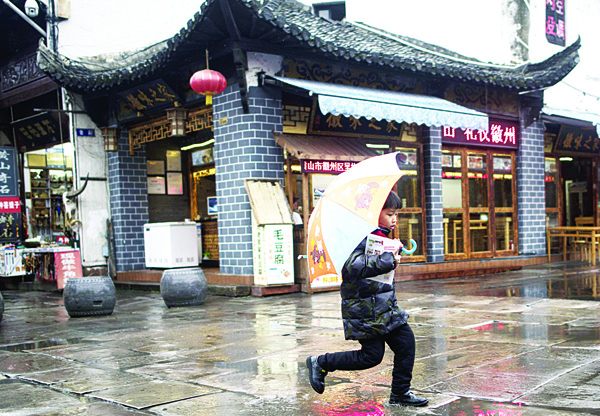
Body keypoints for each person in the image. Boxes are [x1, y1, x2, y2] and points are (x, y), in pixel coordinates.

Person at [305, 190, 428, 407]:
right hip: (364, 308)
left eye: (396, 213)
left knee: (406, 343)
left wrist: (392, 254)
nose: (395, 219)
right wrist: (388, 260)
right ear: (375, 212)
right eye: (390, 213)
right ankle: (320, 362)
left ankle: (400, 394)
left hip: (384, 305)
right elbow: (352, 266)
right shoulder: (355, 236)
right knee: (371, 356)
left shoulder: (378, 235)